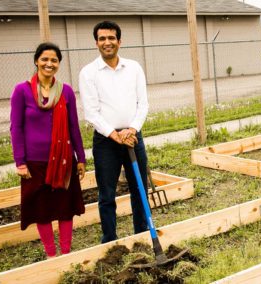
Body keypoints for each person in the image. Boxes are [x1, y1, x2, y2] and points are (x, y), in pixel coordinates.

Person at [10, 42, 86, 258]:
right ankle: (51, 255)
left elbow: (73, 126)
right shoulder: (21, 91)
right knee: (42, 210)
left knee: (64, 207)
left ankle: (66, 252)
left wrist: (80, 157)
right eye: (44, 59)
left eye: (54, 60)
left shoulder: (66, 92)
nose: (49, 64)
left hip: (63, 160)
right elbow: (16, 128)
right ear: (36, 61)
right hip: (35, 162)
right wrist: (20, 162)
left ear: (59, 64)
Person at [79, 20, 149, 243]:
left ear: (119, 41)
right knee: (107, 194)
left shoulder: (134, 68)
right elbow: (91, 112)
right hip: (106, 142)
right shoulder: (89, 73)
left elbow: (143, 104)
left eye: (111, 38)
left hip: (132, 138)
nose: (107, 42)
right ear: (96, 43)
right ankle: (110, 240)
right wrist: (114, 134)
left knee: (139, 188)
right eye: (102, 39)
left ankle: (141, 234)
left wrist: (132, 129)